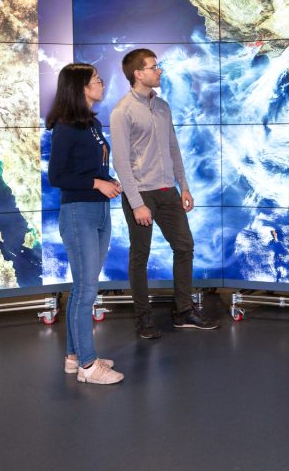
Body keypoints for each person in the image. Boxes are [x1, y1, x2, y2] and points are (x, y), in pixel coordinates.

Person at [110, 48, 218, 339]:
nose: (160, 71)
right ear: (138, 74)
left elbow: (173, 148)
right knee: (140, 256)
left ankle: (183, 312)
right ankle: (143, 319)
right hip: (141, 195)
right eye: (154, 67)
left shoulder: (163, 106)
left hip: (168, 191)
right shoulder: (122, 112)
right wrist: (136, 204)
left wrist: (183, 186)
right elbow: (120, 163)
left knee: (185, 247)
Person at [47, 63, 124, 385]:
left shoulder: (90, 123)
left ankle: (74, 356)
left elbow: (89, 167)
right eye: (96, 80)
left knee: (84, 288)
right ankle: (89, 367)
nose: (102, 83)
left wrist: (108, 181)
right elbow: (57, 177)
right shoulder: (66, 127)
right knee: (86, 291)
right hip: (79, 212)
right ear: (80, 87)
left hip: (98, 211)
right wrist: (96, 184)